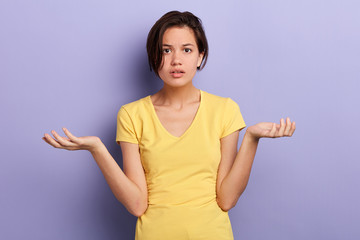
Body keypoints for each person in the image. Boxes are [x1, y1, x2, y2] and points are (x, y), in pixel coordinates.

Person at [43, 11, 296, 240]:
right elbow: (137, 205)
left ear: (200, 56)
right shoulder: (132, 115)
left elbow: (226, 199)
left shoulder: (225, 110)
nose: (176, 60)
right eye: (166, 50)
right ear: (155, 56)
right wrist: (97, 149)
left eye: (186, 50)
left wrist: (251, 138)